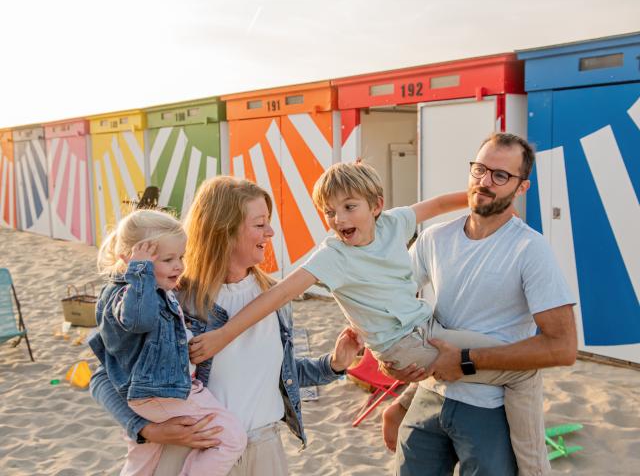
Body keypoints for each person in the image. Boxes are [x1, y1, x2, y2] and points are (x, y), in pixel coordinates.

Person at [188, 161, 551, 474]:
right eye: (329, 212)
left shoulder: (393, 224)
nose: (338, 219)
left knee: (511, 352)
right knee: (523, 367)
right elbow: (277, 295)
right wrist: (223, 336)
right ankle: (535, 471)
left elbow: (440, 203)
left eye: (348, 207)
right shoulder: (332, 256)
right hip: (401, 346)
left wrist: (492, 206)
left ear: (376, 206)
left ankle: (398, 408)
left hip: (427, 329)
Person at [90, 177, 362, 476]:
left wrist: (333, 365)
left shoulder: (275, 298)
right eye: (260, 224)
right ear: (224, 231)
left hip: (265, 450)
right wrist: (145, 429)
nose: (270, 232)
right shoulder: (172, 296)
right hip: (194, 454)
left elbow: (276, 374)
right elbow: (104, 376)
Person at [382, 132, 578, 476]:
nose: (485, 182)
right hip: (429, 394)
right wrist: (391, 365)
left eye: (500, 175)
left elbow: (562, 347)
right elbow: (389, 304)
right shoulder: (435, 238)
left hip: (489, 406)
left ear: (521, 188)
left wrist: (466, 361)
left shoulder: (530, 250)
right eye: (479, 169)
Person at [89, 209, 247, 475]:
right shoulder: (130, 294)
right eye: (167, 259)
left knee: (143, 457)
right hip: (162, 393)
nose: (179, 266)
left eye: (181, 257)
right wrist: (140, 273)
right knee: (232, 438)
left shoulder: (157, 290)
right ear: (130, 262)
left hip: (148, 394)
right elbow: (140, 320)